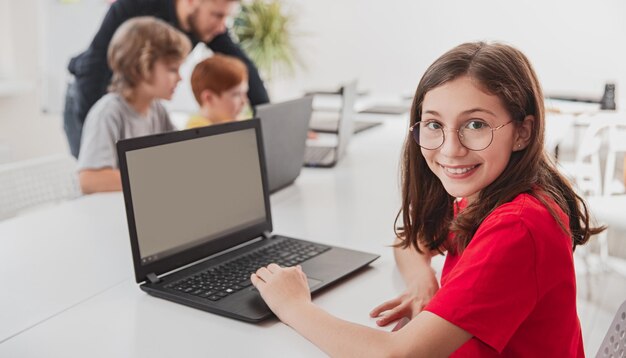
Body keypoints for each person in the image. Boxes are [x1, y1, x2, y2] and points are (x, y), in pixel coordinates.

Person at [250, 42, 604, 356]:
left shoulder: (519, 224)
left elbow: (397, 354)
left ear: (522, 132)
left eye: (476, 125)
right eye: (434, 125)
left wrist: (294, 306)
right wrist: (424, 284)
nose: (451, 149)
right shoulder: (484, 194)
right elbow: (413, 239)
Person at [64, 0, 269, 158]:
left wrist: (268, 121)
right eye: (217, 15)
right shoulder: (136, 5)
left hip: (139, 109)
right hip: (90, 97)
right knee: (100, 169)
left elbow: (244, 65)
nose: (221, 27)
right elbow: (92, 68)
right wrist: (94, 128)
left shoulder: (206, 24)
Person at [77, 17, 191, 194]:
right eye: (172, 69)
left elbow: (180, 155)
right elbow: (89, 180)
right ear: (141, 67)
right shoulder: (109, 112)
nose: (180, 78)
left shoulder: (157, 109)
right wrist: (154, 178)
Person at [186, 54, 248, 128]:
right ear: (209, 98)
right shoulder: (197, 133)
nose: (244, 101)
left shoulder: (230, 121)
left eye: (244, 93)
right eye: (236, 94)